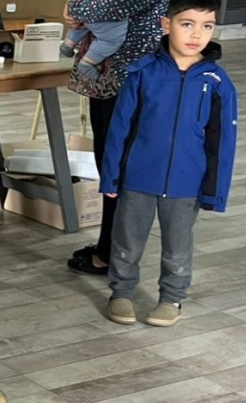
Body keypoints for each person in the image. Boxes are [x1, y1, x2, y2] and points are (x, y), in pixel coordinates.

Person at [101, 0, 237, 327]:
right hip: (138, 179)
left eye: (207, 26)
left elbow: (222, 143)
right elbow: (120, 129)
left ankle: (172, 299)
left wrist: (213, 192)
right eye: (187, 24)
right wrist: (111, 178)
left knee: (178, 248)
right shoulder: (142, 72)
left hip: (186, 184)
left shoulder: (218, 83)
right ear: (166, 25)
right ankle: (121, 293)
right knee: (126, 243)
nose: (197, 34)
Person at [62, 0, 169, 277]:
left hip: (131, 75)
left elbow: (117, 6)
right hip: (119, 72)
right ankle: (107, 247)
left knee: (117, 164)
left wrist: (77, 8)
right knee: (110, 161)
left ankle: (111, 255)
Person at [60, 4, 128, 83]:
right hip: (108, 12)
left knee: (84, 23)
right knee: (109, 41)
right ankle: (87, 63)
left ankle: (69, 43)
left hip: (85, 6)